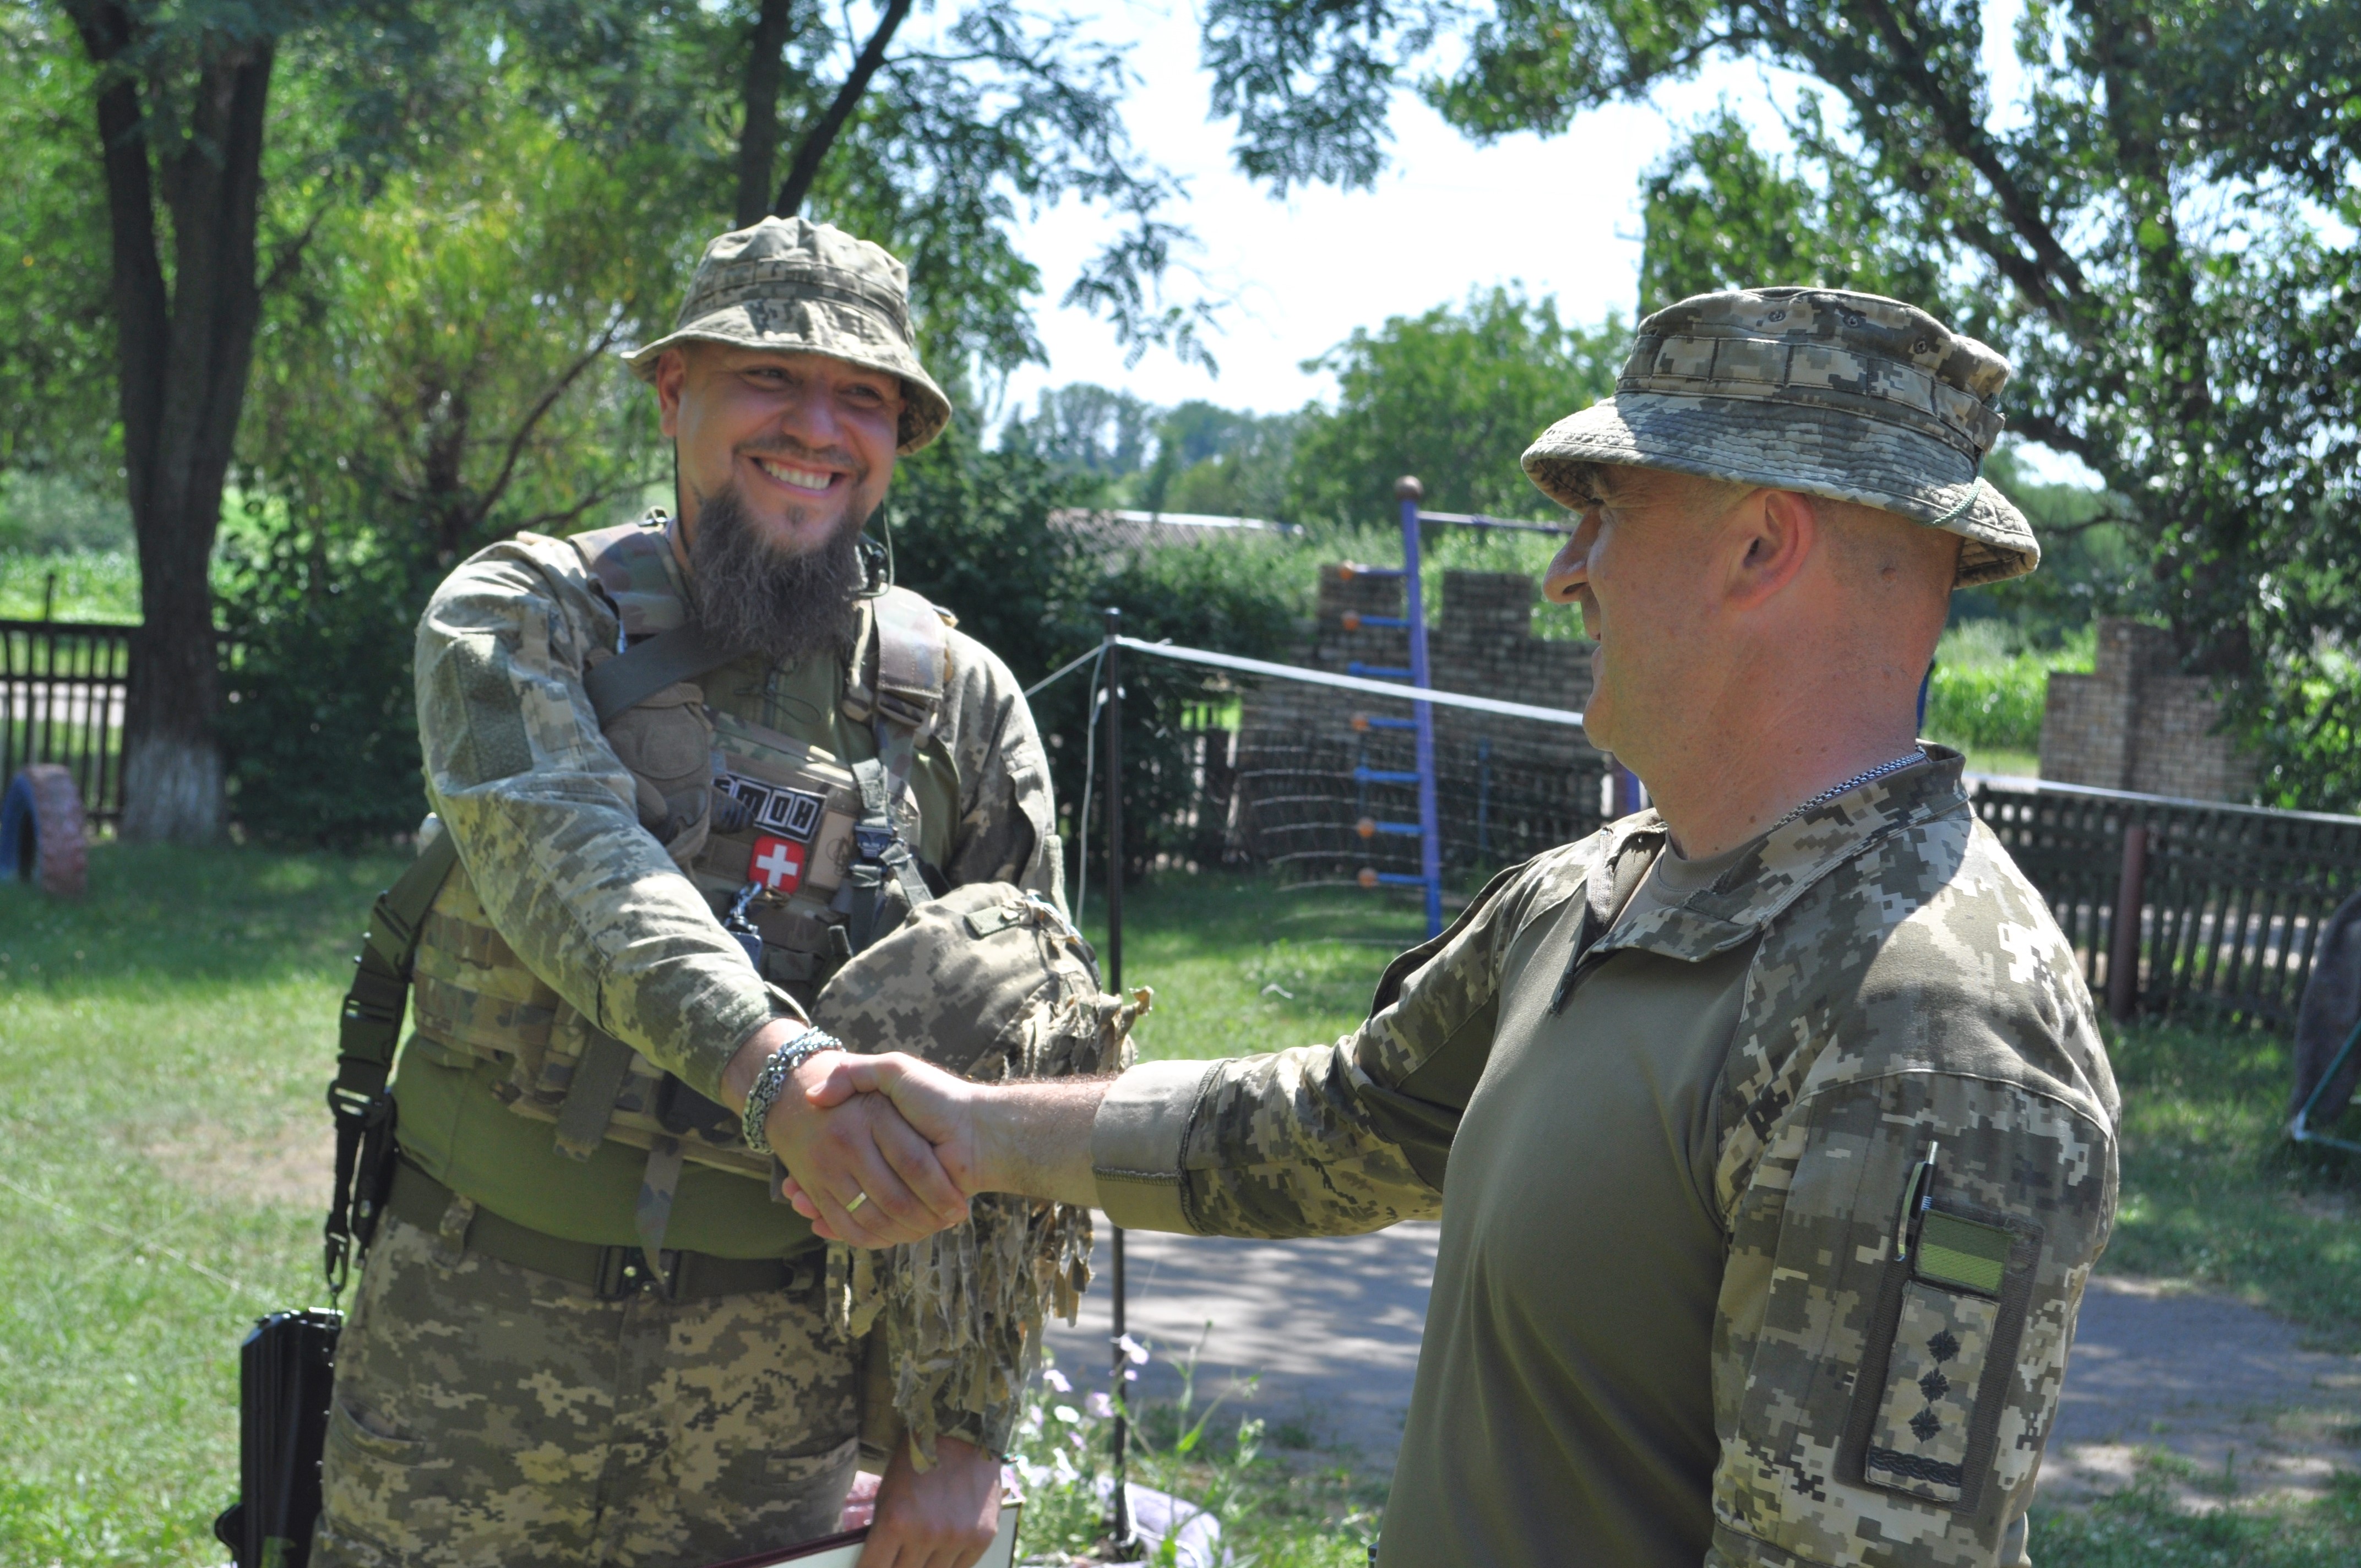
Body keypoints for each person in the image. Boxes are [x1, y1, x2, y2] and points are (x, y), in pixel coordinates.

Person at [789, 288, 2121, 1566]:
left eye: (1604, 515)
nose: (1562, 573)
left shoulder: (1924, 1025)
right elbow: (1333, 1125)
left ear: (1761, 546)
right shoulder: (1599, 889)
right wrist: (976, 1129)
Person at [312, 217, 1058, 1568]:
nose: (817, 426)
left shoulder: (962, 705)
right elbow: (572, 860)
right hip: (469, 1343)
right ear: (676, 393)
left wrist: (961, 1431)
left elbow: (1026, 1078)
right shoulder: (524, 610)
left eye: (865, 396)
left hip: (773, 1393)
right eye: (770, 377)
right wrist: (776, 1070)